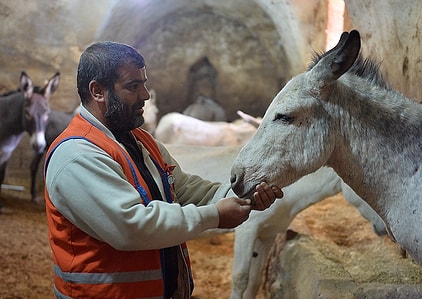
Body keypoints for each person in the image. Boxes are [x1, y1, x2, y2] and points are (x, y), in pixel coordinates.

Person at [44, 41, 284, 299]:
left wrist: (244, 194)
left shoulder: (139, 140)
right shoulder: (78, 155)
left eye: (144, 83)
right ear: (98, 91)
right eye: (133, 86)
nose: (145, 95)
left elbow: (184, 188)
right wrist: (213, 216)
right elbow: (130, 227)